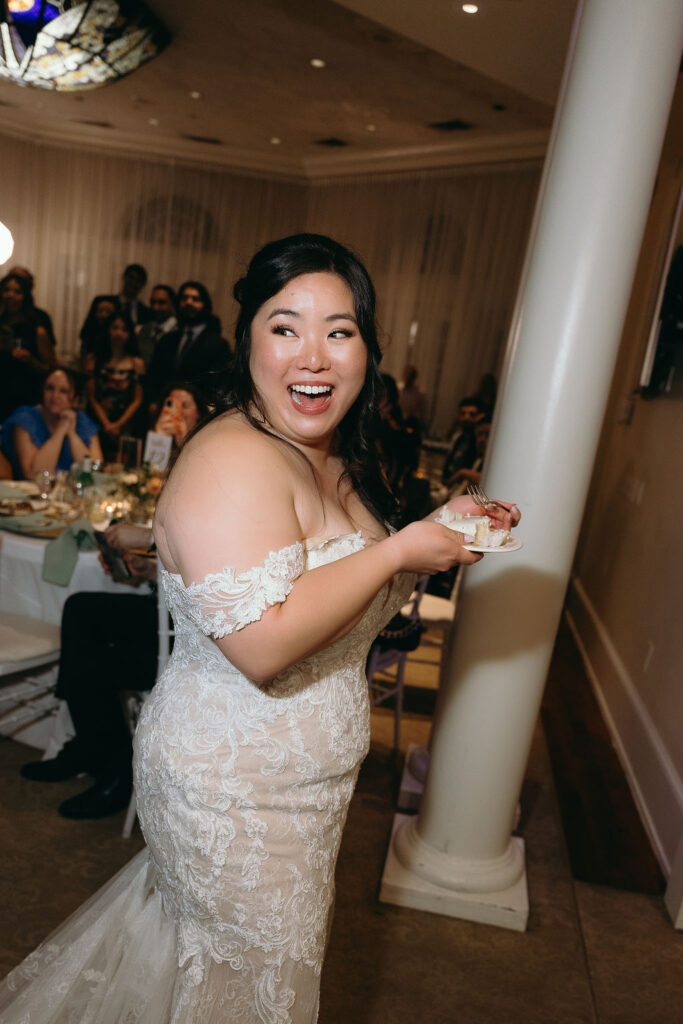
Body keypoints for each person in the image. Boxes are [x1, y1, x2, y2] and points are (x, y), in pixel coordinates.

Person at [0, 234, 519, 1023]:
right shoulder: (231, 459)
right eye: (285, 327)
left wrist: (431, 536)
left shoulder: (334, 457)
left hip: (306, 787)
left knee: (227, 976)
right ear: (246, 339)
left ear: (367, 349)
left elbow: (335, 590)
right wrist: (398, 555)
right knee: (247, 987)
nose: (313, 356)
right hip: (231, 792)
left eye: (338, 331)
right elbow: (264, 646)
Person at [20, 523, 158, 819]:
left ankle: (118, 770)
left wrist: (149, 538)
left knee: (92, 665)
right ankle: (87, 745)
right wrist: (149, 569)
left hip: (195, 635)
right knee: (80, 609)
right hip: (165, 611)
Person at [0, 367, 102, 479]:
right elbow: (35, 475)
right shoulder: (25, 418)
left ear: (75, 400)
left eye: (63, 391)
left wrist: (72, 434)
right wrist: (60, 431)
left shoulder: (83, 422)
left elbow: (95, 473)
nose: (55, 396)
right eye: (50, 388)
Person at [146, 279, 231, 407]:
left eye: (195, 299)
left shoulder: (218, 345)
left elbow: (219, 386)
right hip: (164, 409)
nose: (188, 302)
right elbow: (153, 376)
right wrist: (152, 403)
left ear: (205, 305)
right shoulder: (167, 339)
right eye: (184, 298)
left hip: (197, 413)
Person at [86, 311, 145, 459]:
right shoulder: (93, 360)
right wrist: (107, 424)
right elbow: (92, 397)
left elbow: (138, 399)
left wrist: (118, 425)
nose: (119, 333)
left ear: (130, 334)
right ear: (108, 330)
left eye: (124, 329)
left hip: (126, 425)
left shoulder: (137, 363)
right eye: (115, 327)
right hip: (98, 423)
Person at [0, 271, 55, 419]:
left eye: (17, 292)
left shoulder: (37, 329)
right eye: (6, 290)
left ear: (25, 297)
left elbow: (51, 370)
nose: (10, 295)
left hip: (25, 399)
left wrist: (30, 360)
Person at [79, 263, 151, 351]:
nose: (134, 283)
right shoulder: (103, 302)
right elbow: (87, 333)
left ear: (143, 284)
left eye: (138, 280)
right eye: (131, 278)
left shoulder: (146, 312)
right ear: (124, 278)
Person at [8, 265, 58, 348]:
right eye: (7, 289)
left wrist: (29, 358)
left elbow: (49, 357)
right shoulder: (3, 315)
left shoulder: (41, 317)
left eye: (17, 290)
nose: (11, 295)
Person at [153, 380, 207, 448]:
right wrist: (159, 439)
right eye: (173, 406)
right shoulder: (157, 432)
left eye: (185, 406)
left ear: (199, 413)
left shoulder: (207, 441)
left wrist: (184, 445)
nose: (179, 411)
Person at [136, 283, 178, 367]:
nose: (155, 307)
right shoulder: (145, 329)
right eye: (152, 302)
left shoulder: (180, 330)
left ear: (172, 304)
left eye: (161, 303)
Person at [80, 295, 118, 371]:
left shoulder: (117, 337)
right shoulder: (88, 336)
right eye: (100, 311)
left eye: (108, 312)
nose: (103, 315)